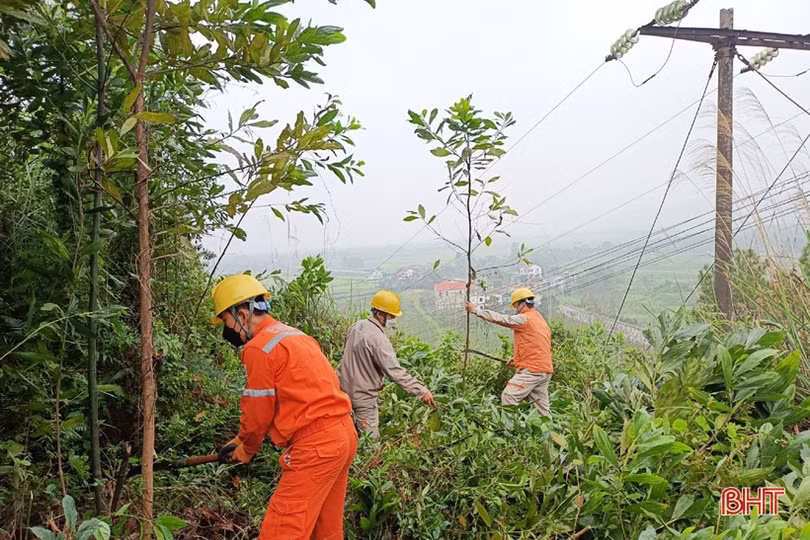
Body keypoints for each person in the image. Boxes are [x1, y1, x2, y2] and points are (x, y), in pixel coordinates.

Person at [211, 274, 357, 539]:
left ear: (242, 315)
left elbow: (258, 413)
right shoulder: (294, 336)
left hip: (317, 447)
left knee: (282, 531)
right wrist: (239, 441)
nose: (227, 330)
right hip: (343, 435)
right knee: (326, 530)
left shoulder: (259, 348)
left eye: (226, 321)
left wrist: (246, 450)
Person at [337, 290, 437, 438]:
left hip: (341, 390)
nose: (394, 319)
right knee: (369, 443)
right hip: (363, 398)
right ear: (379, 314)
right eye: (391, 316)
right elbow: (395, 372)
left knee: (347, 435)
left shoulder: (357, 326)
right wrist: (421, 391)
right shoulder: (379, 340)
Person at [466, 287, 553, 417]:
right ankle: (548, 435)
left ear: (521, 303)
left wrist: (477, 311)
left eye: (516, 305)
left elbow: (503, 319)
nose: (516, 309)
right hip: (544, 370)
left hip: (532, 370)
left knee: (509, 396)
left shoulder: (524, 318)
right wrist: (518, 359)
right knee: (542, 411)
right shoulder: (539, 319)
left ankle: (511, 430)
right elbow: (537, 343)